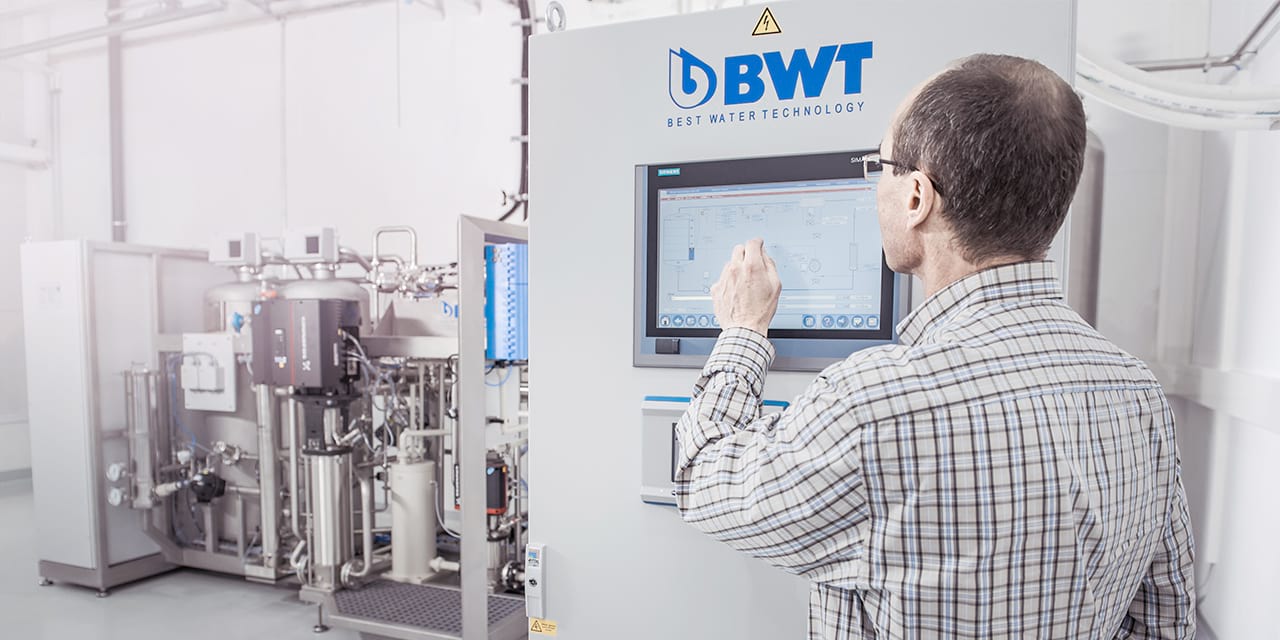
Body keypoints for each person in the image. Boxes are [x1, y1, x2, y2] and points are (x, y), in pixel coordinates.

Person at [673, 54, 1196, 640]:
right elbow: (1164, 617)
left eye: (881, 167)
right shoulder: (1136, 390)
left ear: (917, 197)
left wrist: (743, 331)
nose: (877, 186)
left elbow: (700, 480)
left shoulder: (872, 402)